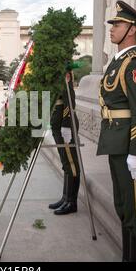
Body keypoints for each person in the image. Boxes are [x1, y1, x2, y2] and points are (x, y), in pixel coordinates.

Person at [97, 0, 136, 262]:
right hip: (115, 142)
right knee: (123, 207)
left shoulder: (135, 65)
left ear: (131, 30)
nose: (112, 28)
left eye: (117, 24)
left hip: (130, 146)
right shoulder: (117, 63)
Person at [48, 64, 80, 215]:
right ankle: (65, 197)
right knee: (66, 162)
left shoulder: (64, 70)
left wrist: (66, 125)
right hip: (57, 124)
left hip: (64, 124)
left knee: (71, 163)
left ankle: (71, 202)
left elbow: (69, 98)